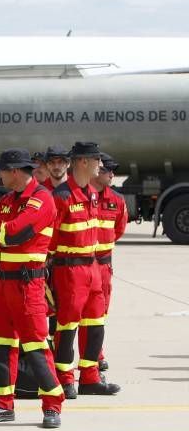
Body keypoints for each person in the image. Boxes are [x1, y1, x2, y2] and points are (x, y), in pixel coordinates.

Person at [0, 148, 64, 428]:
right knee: (2, 345)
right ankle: (3, 404)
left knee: (36, 346)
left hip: (28, 285)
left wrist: (0, 232)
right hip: (3, 282)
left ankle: (53, 405)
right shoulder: (7, 199)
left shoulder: (42, 199)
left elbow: (13, 232)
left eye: (2, 170)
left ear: (15, 172)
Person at [50, 142, 121, 398]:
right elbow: (50, 238)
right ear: (82, 162)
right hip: (69, 270)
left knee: (96, 324)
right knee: (67, 326)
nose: (100, 166)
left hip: (92, 267)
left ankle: (90, 378)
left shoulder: (91, 193)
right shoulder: (61, 196)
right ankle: (64, 378)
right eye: (96, 160)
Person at [79, 152, 128, 371]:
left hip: (103, 265)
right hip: (80, 265)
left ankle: (96, 355)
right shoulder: (83, 197)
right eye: (107, 169)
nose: (111, 174)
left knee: (99, 314)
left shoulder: (117, 201)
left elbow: (118, 230)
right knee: (73, 316)